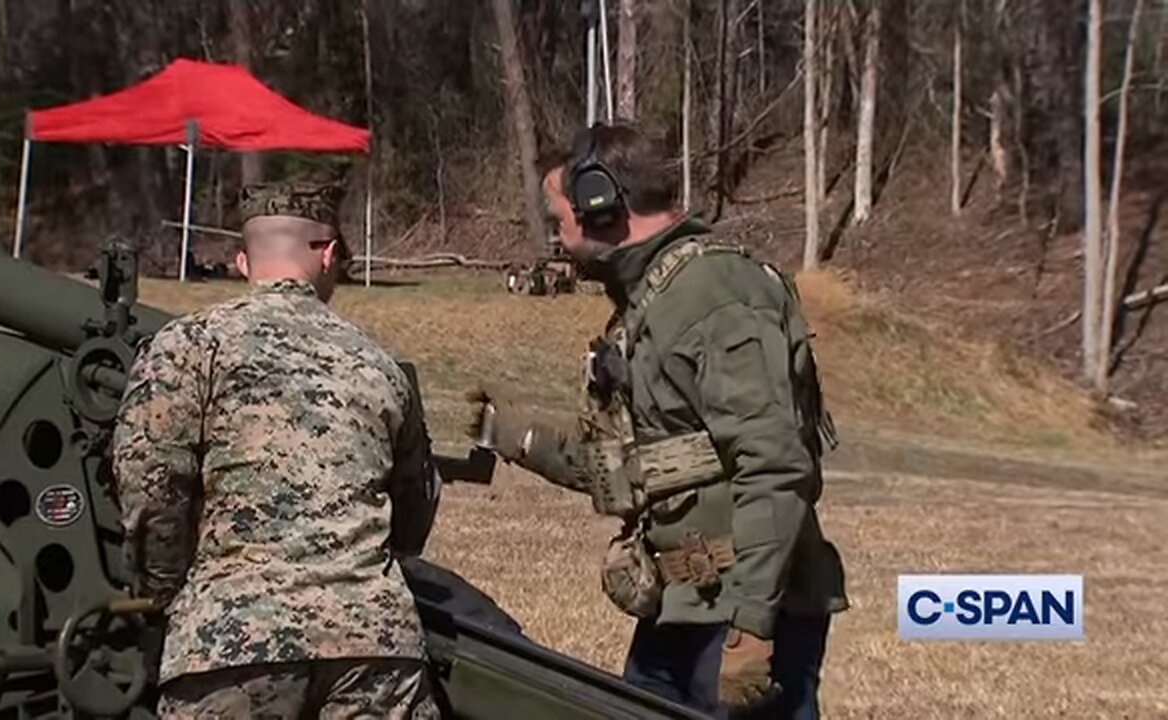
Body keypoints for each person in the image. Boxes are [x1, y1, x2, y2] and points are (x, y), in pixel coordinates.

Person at [467, 124, 848, 719]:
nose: (556, 236)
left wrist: (750, 626)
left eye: (559, 216)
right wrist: (509, 432)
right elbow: (636, 464)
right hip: (682, 609)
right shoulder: (655, 299)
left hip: (742, 613)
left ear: (601, 205)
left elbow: (773, 462)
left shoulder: (715, 295)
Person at [112, 178, 443, 719]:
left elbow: (150, 482)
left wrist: (165, 591)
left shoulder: (187, 346)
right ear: (331, 254)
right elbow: (412, 515)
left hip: (232, 642)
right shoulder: (381, 366)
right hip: (374, 647)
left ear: (243, 261)